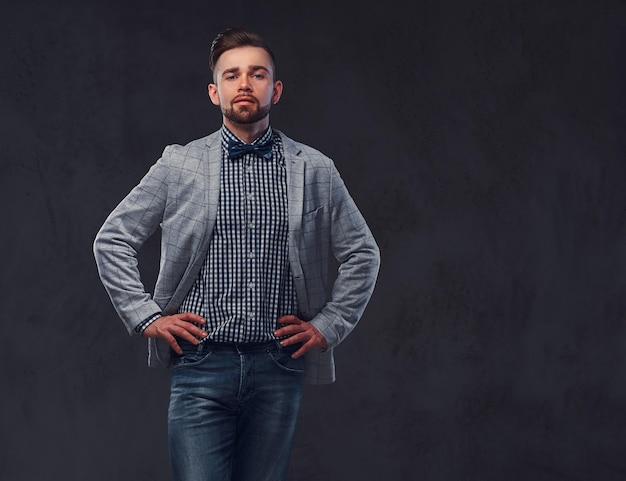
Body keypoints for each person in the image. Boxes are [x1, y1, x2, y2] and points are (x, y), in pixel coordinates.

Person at [93, 27, 380, 481]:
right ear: (214, 91)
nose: (244, 83)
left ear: (276, 88)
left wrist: (329, 325)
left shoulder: (314, 169)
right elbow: (113, 239)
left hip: (278, 367)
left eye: (257, 74)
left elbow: (362, 252)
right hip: (200, 365)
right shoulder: (179, 164)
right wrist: (147, 317)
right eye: (231, 75)